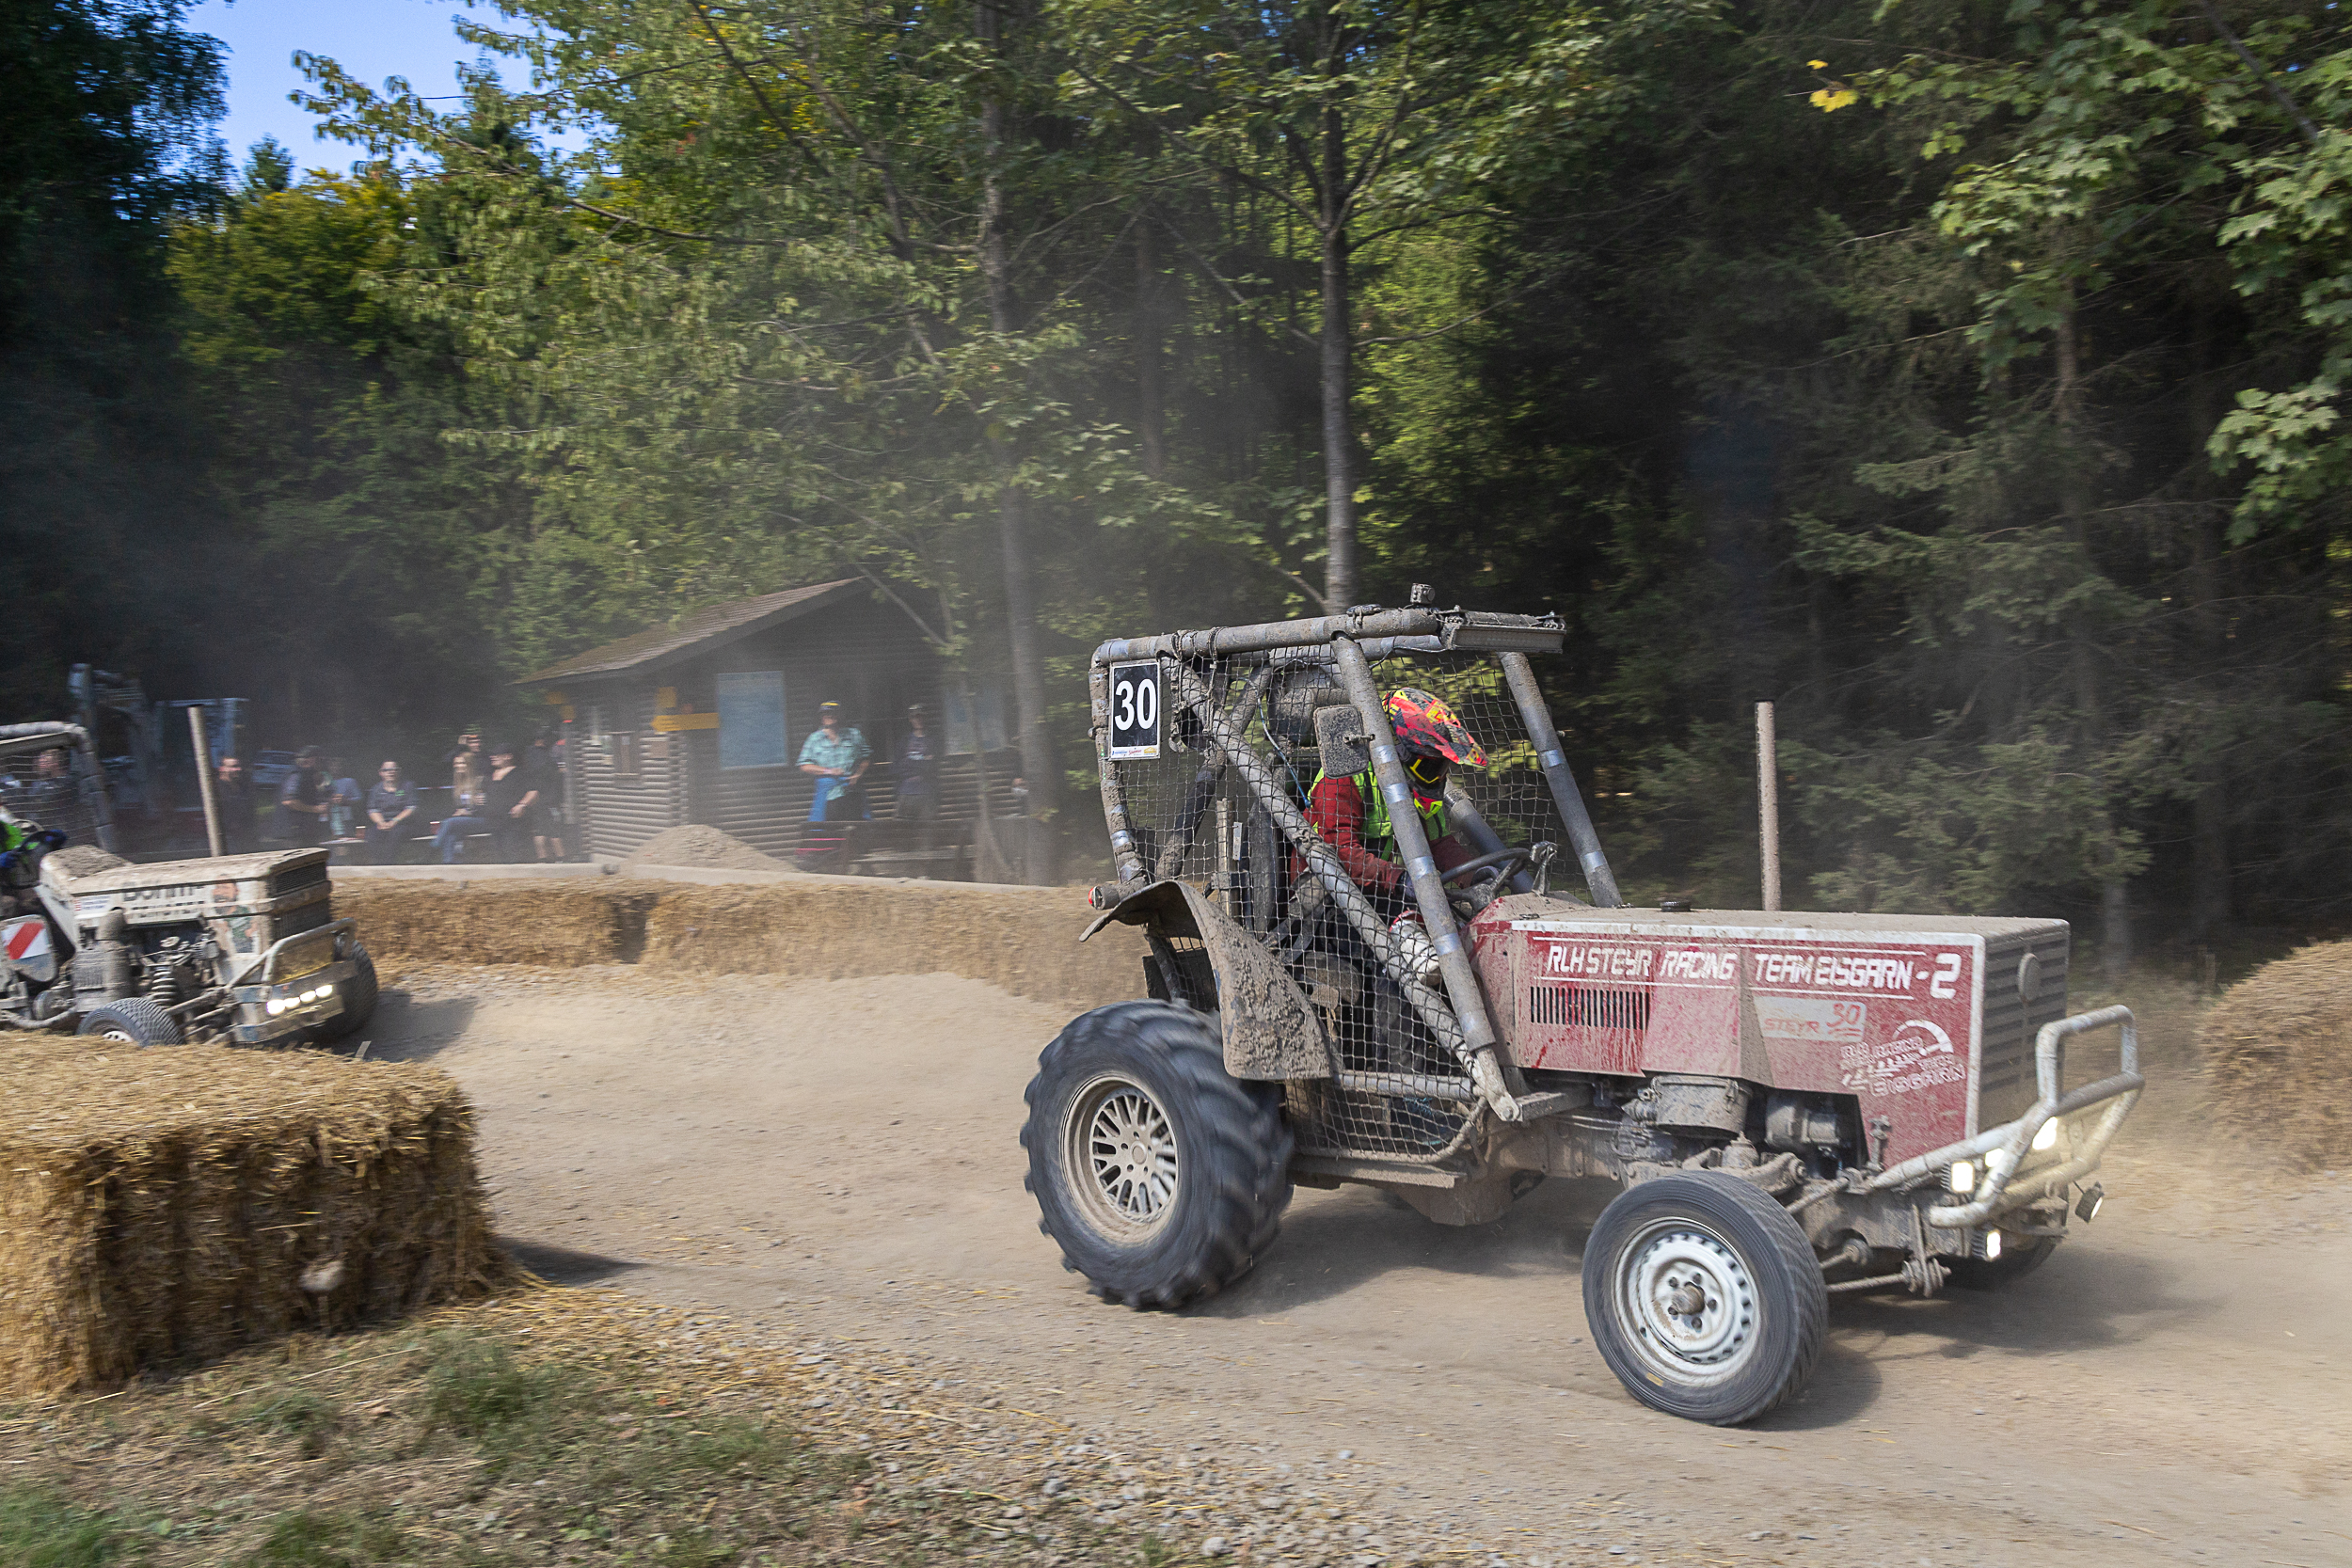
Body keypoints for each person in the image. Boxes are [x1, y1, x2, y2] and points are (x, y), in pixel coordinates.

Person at [1299, 689, 1485, 916]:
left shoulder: (1419, 788)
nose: (1437, 775)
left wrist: (1477, 875)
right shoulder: (1343, 778)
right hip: (1329, 897)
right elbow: (1339, 850)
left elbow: (1438, 845)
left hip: (1380, 891)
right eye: (1428, 764)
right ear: (1396, 750)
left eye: (1442, 765)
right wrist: (1400, 879)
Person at [797, 700, 871, 822]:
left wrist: (858, 774)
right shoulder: (814, 739)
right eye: (825, 714)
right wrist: (829, 771)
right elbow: (804, 765)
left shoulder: (854, 734)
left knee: (856, 828)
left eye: (832, 713)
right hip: (828, 796)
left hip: (852, 793)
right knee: (829, 829)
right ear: (821, 717)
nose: (828, 716)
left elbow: (866, 758)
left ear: (840, 715)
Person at [433, 732, 490, 863]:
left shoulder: (481, 781)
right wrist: (459, 811)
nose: (458, 766)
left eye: (462, 763)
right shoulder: (458, 783)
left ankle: (432, 850)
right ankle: (448, 862)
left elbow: (485, 805)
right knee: (450, 833)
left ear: (469, 764)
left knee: (449, 823)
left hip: (481, 819)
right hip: (463, 820)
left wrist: (468, 811)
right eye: (457, 764)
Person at [482, 740, 542, 863]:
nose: (493, 757)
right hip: (494, 821)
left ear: (508, 756)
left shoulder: (520, 773)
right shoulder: (490, 775)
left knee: (513, 852)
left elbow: (533, 792)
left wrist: (522, 805)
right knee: (498, 854)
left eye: (497, 755)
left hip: (513, 822)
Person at [272, 747, 330, 847]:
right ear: (312, 759)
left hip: (301, 832)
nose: (321, 764)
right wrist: (316, 809)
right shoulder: (297, 774)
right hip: (294, 834)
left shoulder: (305, 773)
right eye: (320, 760)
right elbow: (289, 801)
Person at [365, 761, 419, 863]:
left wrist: (394, 821)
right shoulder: (376, 789)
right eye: (386, 770)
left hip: (404, 823)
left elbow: (411, 807)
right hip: (383, 823)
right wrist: (381, 823)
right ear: (381, 773)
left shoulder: (408, 786)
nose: (390, 772)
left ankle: (389, 864)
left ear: (399, 771)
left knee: (395, 835)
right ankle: (377, 863)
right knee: (371, 835)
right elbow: (373, 809)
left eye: (394, 769)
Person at [894, 705, 939, 825]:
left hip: (926, 792)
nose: (919, 720)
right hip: (906, 793)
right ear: (910, 719)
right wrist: (923, 760)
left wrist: (911, 763)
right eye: (915, 717)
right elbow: (897, 766)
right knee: (902, 828)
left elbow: (933, 766)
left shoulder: (933, 740)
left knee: (927, 829)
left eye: (921, 717)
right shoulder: (904, 741)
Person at [527, 734, 565, 862]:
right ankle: (561, 858)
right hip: (550, 800)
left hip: (535, 800)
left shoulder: (529, 758)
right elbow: (556, 775)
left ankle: (542, 860)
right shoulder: (547, 758)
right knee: (555, 831)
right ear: (541, 741)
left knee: (539, 831)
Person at [214, 755, 257, 852]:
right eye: (233, 766)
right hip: (226, 838)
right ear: (222, 769)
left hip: (246, 836)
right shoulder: (216, 789)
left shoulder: (243, 787)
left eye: (238, 766)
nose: (238, 769)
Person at [326, 755, 363, 839]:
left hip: (346, 817)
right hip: (329, 817)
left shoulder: (350, 781)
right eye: (332, 766)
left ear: (342, 767)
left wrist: (345, 800)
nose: (335, 768)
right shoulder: (325, 782)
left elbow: (359, 798)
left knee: (347, 839)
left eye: (338, 766)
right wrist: (329, 800)